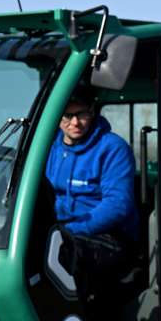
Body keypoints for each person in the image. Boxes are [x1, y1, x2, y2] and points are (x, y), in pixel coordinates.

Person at [45, 86, 138, 301]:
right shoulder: (48, 149)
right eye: (68, 116)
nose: (75, 123)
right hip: (61, 231)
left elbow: (118, 205)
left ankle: (78, 319)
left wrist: (70, 231)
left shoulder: (113, 148)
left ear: (92, 111)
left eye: (82, 114)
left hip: (106, 236)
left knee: (63, 252)